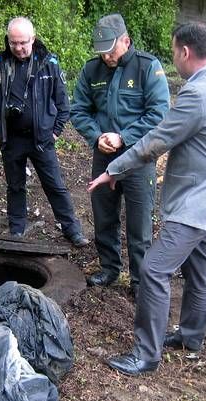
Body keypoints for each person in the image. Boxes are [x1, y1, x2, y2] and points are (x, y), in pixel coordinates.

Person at [88, 21, 206, 376]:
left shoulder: (200, 93)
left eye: (175, 51)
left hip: (197, 199)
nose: (174, 58)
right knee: (200, 268)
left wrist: (114, 169)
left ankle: (146, 354)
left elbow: (157, 140)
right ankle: (191, 335)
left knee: (154, 269)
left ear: (186, 52)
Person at [71, 14, 170, 295]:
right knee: (104, 215)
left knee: (139, 223)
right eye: (101, 51)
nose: (106, 57)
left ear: (126, 40)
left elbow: (159, 113)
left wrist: (123, 136)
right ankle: (109, 268)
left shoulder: (147, 68)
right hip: (104, 156)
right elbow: (78, 110)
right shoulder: (92, 70)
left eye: (111, 50)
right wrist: (96, 136)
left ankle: (140, 280)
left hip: (139, 157)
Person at [0, 17, 90, 247]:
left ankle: (72, 229)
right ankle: (17, 230)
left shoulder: (49, 63)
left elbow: (63, 103)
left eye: (23, 43)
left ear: (33, 39)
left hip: (42, 139)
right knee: (15, 185)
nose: (18, 48)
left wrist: (56, 132)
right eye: (13, 43)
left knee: (55, 185)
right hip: (11, 139)